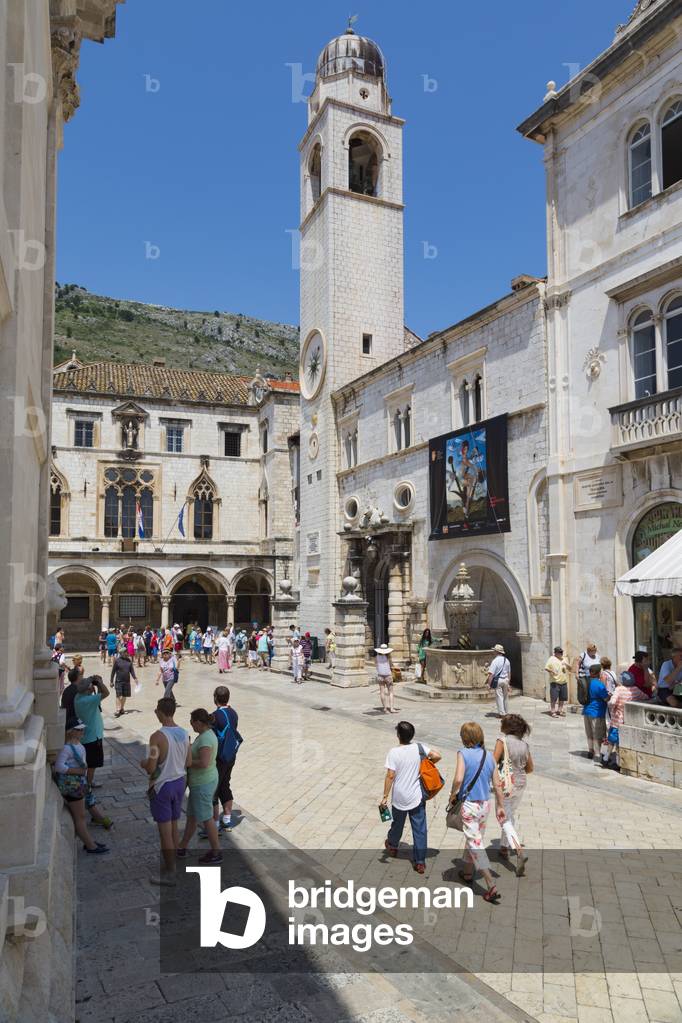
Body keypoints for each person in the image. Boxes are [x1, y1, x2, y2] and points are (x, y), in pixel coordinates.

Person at [449, 722, 506, 903]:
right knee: (474, 838)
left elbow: (458, 779)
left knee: (475, 843)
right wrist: (500, 806)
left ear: (464, 738)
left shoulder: (463, 753)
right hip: (484, 806)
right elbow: (497, 784)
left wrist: (452, 794)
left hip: (469, 806)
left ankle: (490, 885)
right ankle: (467, 872)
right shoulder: (489, 756)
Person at [140, 697, 191, 886]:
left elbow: (151, 767)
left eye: (156, 710)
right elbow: (188, 762)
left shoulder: (157, 737)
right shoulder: (184, 733)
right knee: (174, 826)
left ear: (161, 712)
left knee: (164, 832)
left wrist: (143, 763)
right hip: (179, 782)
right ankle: (173, 862)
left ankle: (170, 872)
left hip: (163, 786)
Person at [380, 720, 441, 875]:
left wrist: (385, 796)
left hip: (400, 796)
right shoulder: (419, 748)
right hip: (416, 796)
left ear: (398, 735)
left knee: (397, 824)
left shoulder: (394, 752)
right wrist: (426, 762)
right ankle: (420, 862)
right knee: (419, 828)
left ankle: (392, 845)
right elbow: (437, 755)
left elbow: (390, 775)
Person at [54, 722, 109, 854]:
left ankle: (89, 842)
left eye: (83, 729)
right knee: (80, 817)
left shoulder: (78, 745)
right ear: (70, 731)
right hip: (73, 787)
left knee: (81, 816)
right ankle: (90, 846)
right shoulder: (67, 748)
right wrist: (77, 771)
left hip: (78, 785)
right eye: (79, 730)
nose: (82, 732)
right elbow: (59, 767)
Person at [177, 708, 222, 864]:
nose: (191, 725)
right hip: (201, 782)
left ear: (198, 722)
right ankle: (182, 846)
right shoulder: (204, 735)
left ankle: (216, 851)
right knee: (192, 817)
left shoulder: (205, 739)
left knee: (206, 818)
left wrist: (186, 761)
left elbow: (203, 763)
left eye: (192, 722)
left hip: (203, 783)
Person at [492, 714, 532, 876]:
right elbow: (530, 768)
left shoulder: (502, 741)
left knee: (503, 817)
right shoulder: (524, 745)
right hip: (520, 783)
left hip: (505, 784)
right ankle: (503, 847)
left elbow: (492, 762)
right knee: (509, 815)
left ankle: (519, 850)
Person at [209, 686, 242, 834]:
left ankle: (215, 824)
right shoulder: (234, 713)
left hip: (219, 756)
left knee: (214, 789)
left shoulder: (214, 716)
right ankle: (227, 820)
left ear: (215, 697)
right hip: (230, 755)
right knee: (225, 784)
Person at [605, 670, 649, 767]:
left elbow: (612, 702)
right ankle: (618, 761)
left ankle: (608, 759)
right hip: (629, 721)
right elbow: (645, 697)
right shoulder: (635, 689)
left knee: (612, 741)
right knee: (621, 743)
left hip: (617, 721)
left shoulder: (619, 689)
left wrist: (610, 706)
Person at [73, 675, 110, 788]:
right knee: (92, 764)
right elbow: (106, 693)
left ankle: (86, 782)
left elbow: (99, 697)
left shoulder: (78, 698)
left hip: (85, 736)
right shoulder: (88, 700)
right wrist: (98, 682)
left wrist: (93, 683)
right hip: (93, 737)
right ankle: (88, 785)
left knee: (86, 762)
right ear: (88, 689)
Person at [582, 663, 609, 762]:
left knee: (589, 733)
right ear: (599, 673)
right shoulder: (599, 684)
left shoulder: (586, 681)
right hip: (597, 712)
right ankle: (597, 754)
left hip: (586, 711)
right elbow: (606, 698)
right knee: (597, 734)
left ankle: (590, 751)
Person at [544, 645, 570, 717]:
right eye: (559, 652)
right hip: (555, 682)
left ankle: (560, 710)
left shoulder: (564, 659)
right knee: (554, 698)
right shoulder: (551, 659)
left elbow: (570, 668)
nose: (561, 654)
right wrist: (552, 671)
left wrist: (566, 664)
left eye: (561, 652)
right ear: (555, 653)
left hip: (563, 681)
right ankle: (552, 711)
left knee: (562, 698)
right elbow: (546, 668)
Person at [110, 649, 137, 717]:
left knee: (124, 696)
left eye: (127, 652)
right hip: (118, 681)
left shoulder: (129, 660)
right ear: (121, 653)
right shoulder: (117, 661)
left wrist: (135, 678)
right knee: (119, 695)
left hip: (126, 681)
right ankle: (117, 710)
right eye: (125, 652)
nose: (127, 653)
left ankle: (122, 709)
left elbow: (132, 670)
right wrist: (111, 681)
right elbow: (113, 671)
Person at [487, 644, 511, 717]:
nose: (493, 652)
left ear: (496, 652)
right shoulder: (507, 660)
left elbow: (491, 674)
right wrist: (509, 683)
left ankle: (501, 713)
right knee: (506, 697)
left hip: (498, 680)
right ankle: (506, 712)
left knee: (499, 697)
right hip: (506, 680)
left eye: (494, 650)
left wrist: (489, 684)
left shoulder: (495, 661)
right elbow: (509, 673)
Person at [375, 643, 397, 713]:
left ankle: (385, 708)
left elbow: (376, 665)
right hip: (388, 675)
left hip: (380, 675)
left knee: (382, 692)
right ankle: (391, 708)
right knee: (390, 692)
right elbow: (391, 665)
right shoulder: (388, 657)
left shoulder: (376, 657)